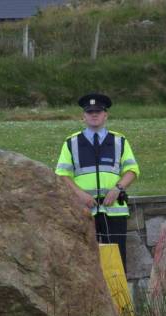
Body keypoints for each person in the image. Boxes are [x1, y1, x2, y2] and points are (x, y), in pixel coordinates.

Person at [55, 93, 139, 270]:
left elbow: (132, 170)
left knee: (117, 263)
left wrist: (117, 188)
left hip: (113, 210)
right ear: (83, 116)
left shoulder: (119, 141)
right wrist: (80, 194)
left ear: (105, 115)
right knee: (84, 263)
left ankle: (117, 298)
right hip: (85, 210)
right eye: (90, 111)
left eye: (98, 111)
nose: (94, 114)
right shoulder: (72, 142)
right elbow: (62, 174)